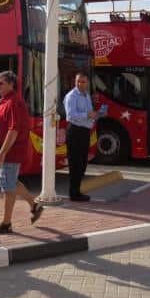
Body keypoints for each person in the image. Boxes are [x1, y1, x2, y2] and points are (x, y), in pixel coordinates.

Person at [0, 70, 43, 233]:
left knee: (8, 187)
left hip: (11, 152)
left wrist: (2, 153)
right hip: (9, 151)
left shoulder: (14, 103)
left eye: (1, 83)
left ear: (11, 84)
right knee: (11, 182)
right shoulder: (6, 101)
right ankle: (35, 206)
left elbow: (14, 130)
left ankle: (6, 223)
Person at [63, 72, 98, 201]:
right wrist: (87, 115)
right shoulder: (71, 96)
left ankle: (77, 191)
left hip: (84, 132)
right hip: (74, 131)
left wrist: (94, 115)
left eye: (83, 81)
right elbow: (70, 116)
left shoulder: (86, 95)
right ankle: (74, 193)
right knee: (75, 163)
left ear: (87, 83)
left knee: (83, 163)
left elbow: (88, 112)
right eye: (78, 81)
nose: (80, 84)